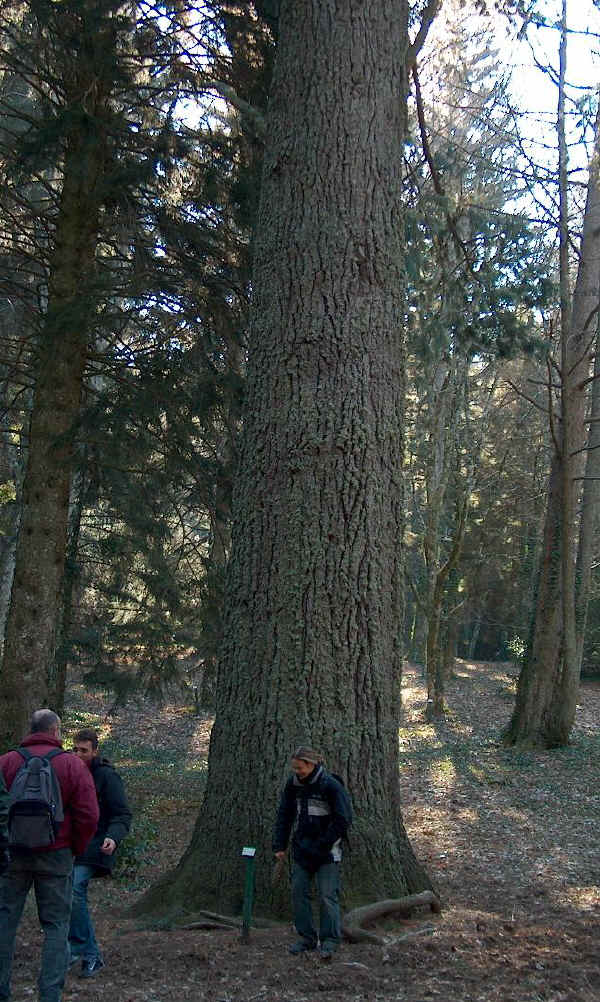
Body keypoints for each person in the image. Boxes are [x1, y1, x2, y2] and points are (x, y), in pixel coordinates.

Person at [0, 709, 99, 1002]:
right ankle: (50, 994)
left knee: (4, 923)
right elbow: (89, 815)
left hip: (12, 855)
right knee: (56, 926)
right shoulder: (71, 765)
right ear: (55, 731)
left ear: (30, 730)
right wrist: (74, 848)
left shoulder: (7, 762)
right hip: (57, 854)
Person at [273, 746, 352, 960]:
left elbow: (343, 820)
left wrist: (323, 845)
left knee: (327, 895)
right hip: (302, 849)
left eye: (300, 768)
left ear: (311, 764)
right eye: (294, 768)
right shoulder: (294, 785)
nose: (297, 772)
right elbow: (285, 814)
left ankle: (330, 940)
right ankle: (307, 937)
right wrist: (279, 845)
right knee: (299, 892)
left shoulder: (331, 785)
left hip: (327, 851)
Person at [68, 728, 131, 978]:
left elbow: (122, 813)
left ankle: (89, 953)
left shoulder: (106, 776)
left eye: (84, 750)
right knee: (64, 897)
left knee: (74, 891)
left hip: (95, 846)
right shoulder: (69, 771)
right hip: (70, 845)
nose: (78, 754)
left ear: (95, 751)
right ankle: (75, 948)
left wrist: (113, 837)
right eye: (75, 749)